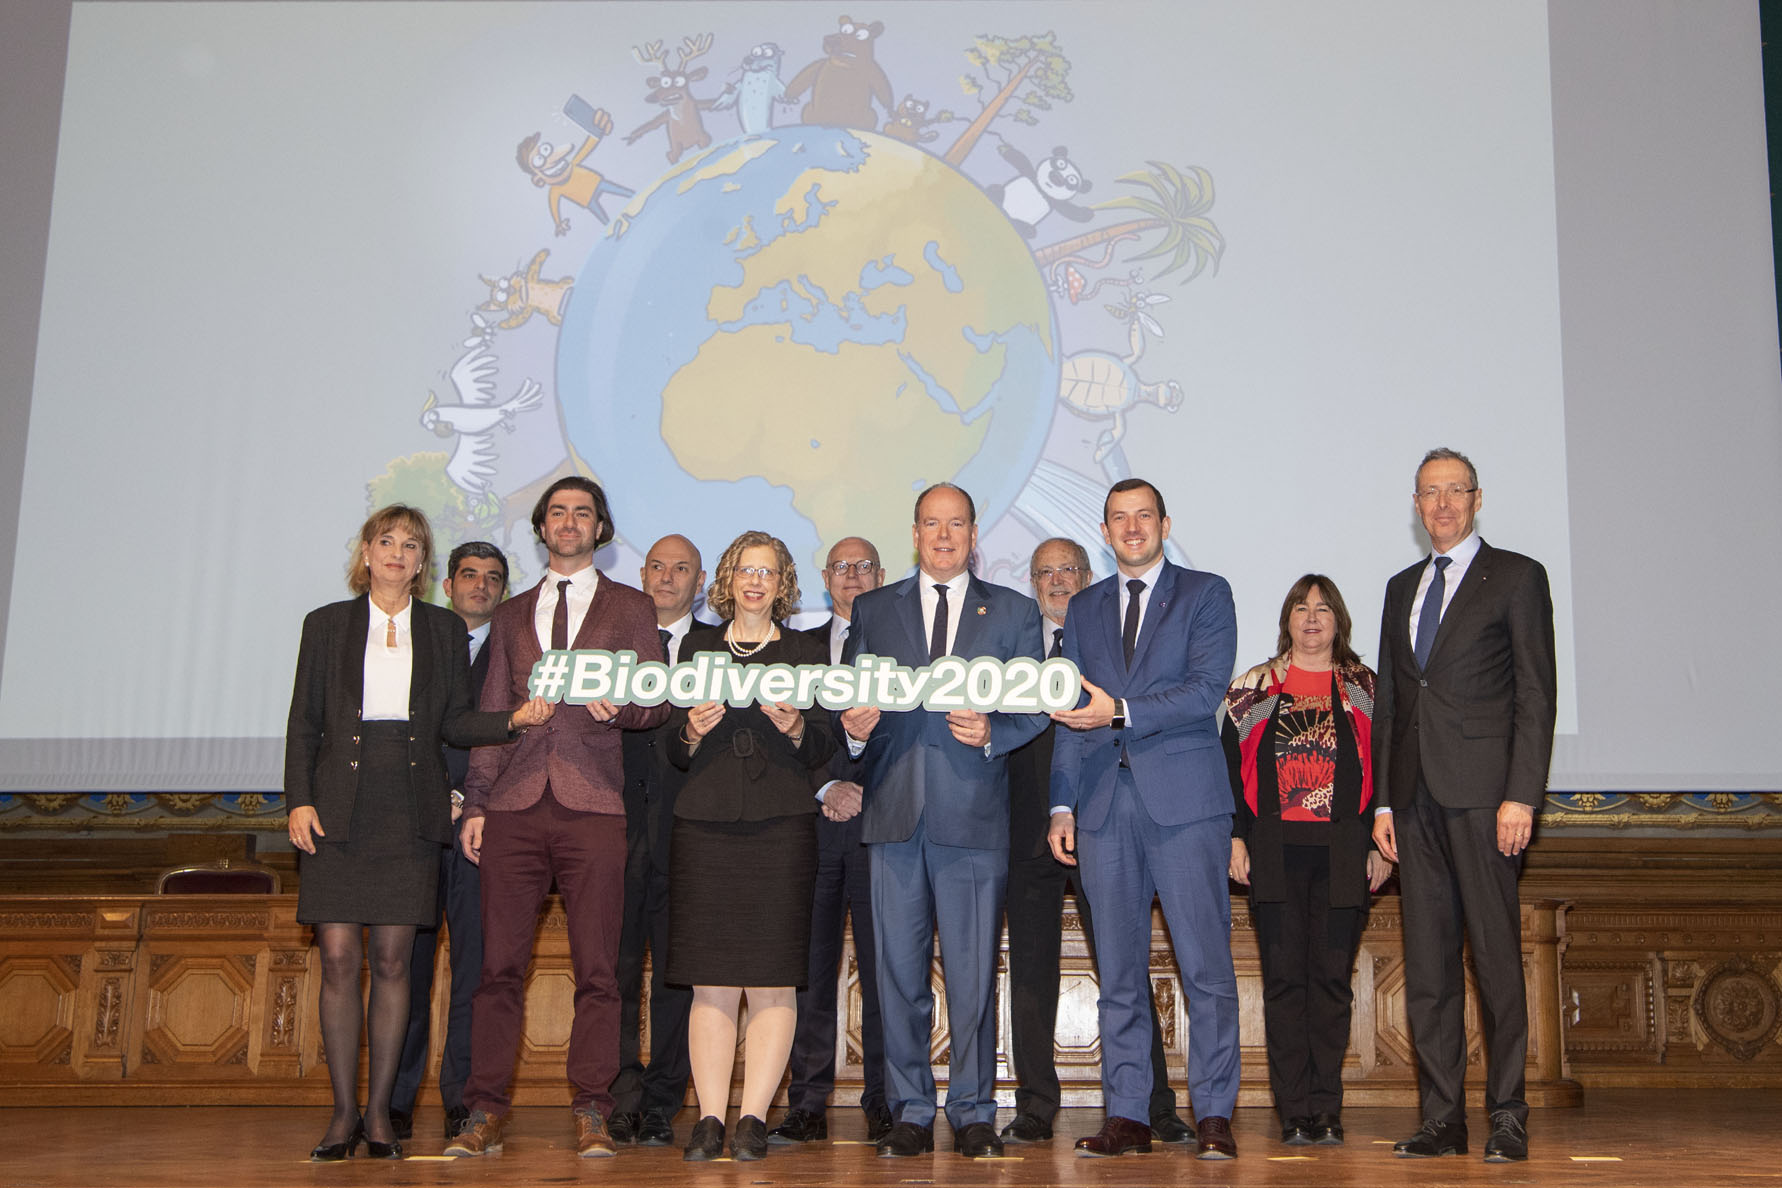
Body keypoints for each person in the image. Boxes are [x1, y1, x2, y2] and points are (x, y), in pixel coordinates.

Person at [285, 507, 548, 1162]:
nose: (397, 553)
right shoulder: (325, 625)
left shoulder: (440, 628)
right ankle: (343, 1113)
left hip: (409, 810)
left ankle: (380, 1116)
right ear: (366, 554)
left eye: (410, 544)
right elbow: (304, 724)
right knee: (341, 960)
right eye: (386, 541)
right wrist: (298, 802)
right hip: (338, 808)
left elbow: (456, 723)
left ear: (422, 561)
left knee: (397, 962)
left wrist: (512, 719)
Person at [445, 477, 670, 1160]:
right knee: (496, 970)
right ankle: (483, 1111)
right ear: (541, 528)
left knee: (600, 970)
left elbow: (656, 701)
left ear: (600, 527)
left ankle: (594, 1110)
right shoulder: (512, 615)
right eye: (557, 513)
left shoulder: (632, 606)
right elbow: (491, 715)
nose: (568, 522)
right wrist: (478, 803)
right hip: (513, 805)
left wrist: (621, 709)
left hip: (595, 805)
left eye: (582, 513)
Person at [841, 483, 1047, 1160]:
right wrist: (851, 731)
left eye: (956, 523)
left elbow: (1036, 705)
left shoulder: (1014, 611)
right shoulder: (873, 609)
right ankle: (908, 1109)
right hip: (894, 816)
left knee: (971, 975)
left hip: (974, 819)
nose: (943, 535)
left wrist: (993, 730)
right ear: (915, 532)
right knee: (897, 977)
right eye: (932, 523)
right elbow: (849, 700)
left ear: (974, 532)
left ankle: (974, 1111)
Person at [1371, 448, 1556, 1163]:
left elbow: (1537, 695)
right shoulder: (1399, 587)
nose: (1442, 504)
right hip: (1413, 802)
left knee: (1497, 962)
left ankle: (1508, 1113)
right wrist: (1383, 802)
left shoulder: (1515, 576)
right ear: (1416, 506)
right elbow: (1391, 702)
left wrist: (1521, 794)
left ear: (1477, 499)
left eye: (1454, 492)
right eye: (1429, 493)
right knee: (1429, 968)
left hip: (1485, 799)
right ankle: (1442, 1118)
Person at [1048, 478, 1241, 1160]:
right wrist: (1062, 802)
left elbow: (1204, 691)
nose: (1132, 528)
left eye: (1144, 516)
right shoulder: (1085, 607)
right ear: (1104, 531)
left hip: (1186, 804)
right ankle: (1127, 1113)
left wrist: (1121, 713)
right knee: (1119, 973)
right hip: (1103, 806)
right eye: (1119, 519)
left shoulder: (1206, 593)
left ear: (1165, 523)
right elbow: (1071, 714)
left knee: (1205, 968)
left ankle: (1215, 1112)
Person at [1001, 538, 1189, 1145]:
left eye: (1069, 570)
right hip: (1025, 828)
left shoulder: (1115, 642)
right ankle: (1035, 1103)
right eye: (1045, 572)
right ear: (1032, 582)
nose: (1058, 581)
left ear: (1090, 576)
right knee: (1030, 970)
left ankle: (1154, 1104)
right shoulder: (1010, 648)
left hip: (1109, 823)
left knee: (1124, 966)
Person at [666, 531, 837, 1162]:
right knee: (710, 980)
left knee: (773, 982)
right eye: (745, 569)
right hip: (705, 826)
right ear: (729, 579)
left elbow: (827, 744)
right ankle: (710, 1118)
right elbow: (668, 747)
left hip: (781, 828)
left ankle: (753, 1120)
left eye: (768, 571)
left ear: (783, 581)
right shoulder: (696, 646)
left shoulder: (806, 651)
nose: (755, 581)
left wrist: (796, 727)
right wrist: (687, 728)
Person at [1222, 575, 1393, 1146]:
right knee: (1283, 984)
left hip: (1347, 851)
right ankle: (1293, 1109)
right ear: (1287, 619)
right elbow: (1223, 771)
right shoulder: (1252, 688)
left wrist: (1379, 843)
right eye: (1302, 607)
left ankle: (1326, 1108)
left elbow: (1389, 771)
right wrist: (1234, 837)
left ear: (1339, 620)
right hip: (1271, 850)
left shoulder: (1368, 688)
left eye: (1323, 608)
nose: (1312, 617)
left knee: (1331, 984)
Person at [771, 536, 892, 1146]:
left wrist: (875, 792)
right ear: (825, 578)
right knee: (810, 973)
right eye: (841, 567)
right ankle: (807, 1102)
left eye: (864, 565)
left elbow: (916, 733)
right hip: (811, 830)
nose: (853, 576)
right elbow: (784, 734)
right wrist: (828, 788)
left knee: (886, 973)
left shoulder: (906, 647)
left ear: (882, 574)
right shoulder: (797, 649)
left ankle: (886, 1099)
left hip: (885, 831)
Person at [390, 542, 510, 1143]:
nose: (480, 586)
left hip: (479, 831)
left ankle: (464, 1101)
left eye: (493, 579)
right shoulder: (412, 641)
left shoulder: (514, 651)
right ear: (446, 583)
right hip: (411, 826)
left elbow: (512, 735)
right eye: (470, 575)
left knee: (475, 972)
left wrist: (472, 801)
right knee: (402, 971)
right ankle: (392, 1101)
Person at [608, 534, 705, 1147]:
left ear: (699, 581)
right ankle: (618, 1096)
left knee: (678, 974)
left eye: (681, 569)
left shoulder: (718, 648)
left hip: (689, 831)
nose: (667, 578)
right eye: (658, 567)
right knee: (611, 971)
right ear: (641, 574)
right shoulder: (611, 644)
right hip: (611, 827)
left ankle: (663, 1101)